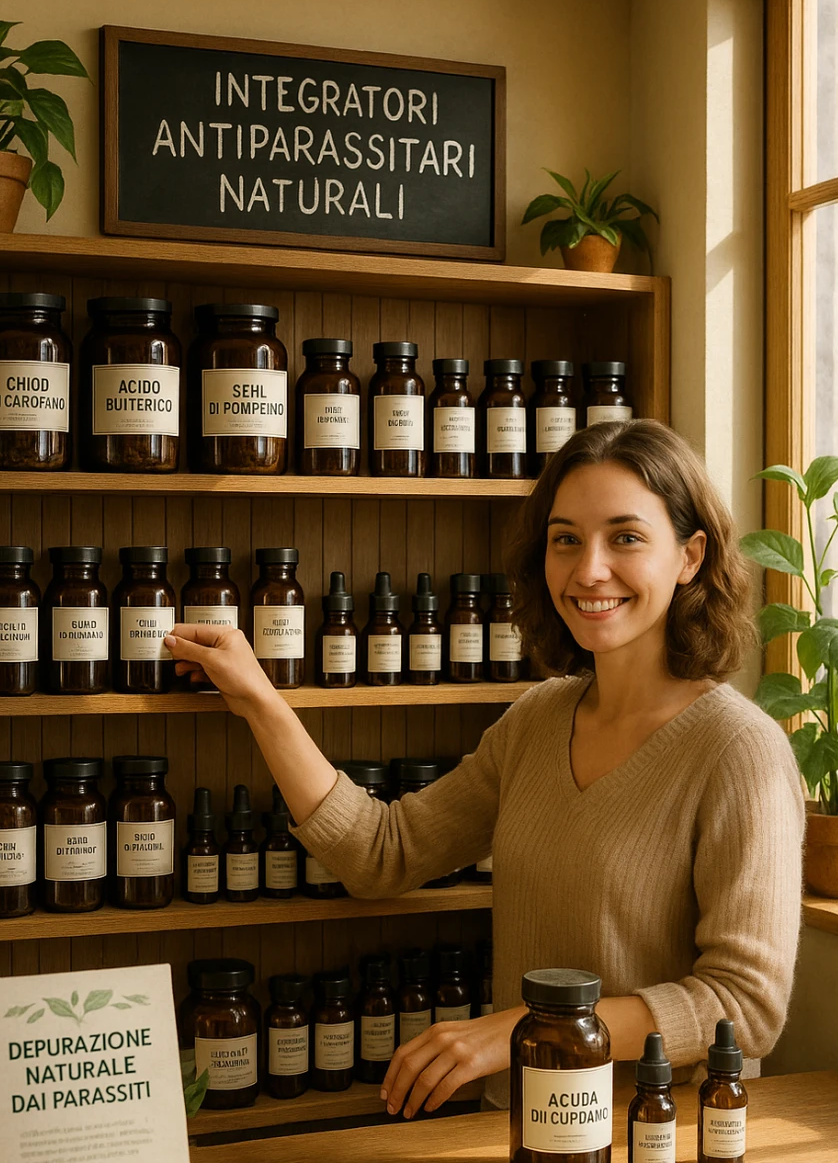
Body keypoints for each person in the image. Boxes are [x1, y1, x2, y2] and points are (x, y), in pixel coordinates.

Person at [165, 421, 805, 1119]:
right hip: (514, 1132)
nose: (589, 569)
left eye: (625, 537)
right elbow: (384, 854)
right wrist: (261, 700)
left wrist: (533, 1025)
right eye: (566, 539)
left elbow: (743, 1010)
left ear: (689, 556)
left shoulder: (740, 751)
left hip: (653, 1155)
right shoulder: (536, 721)